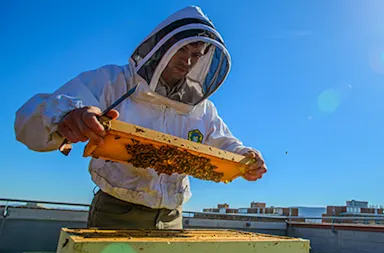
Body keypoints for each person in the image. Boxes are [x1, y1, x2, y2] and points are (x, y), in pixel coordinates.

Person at [14, 6, 267, 229]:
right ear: (163, 45)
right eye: (183, 50)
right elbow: (28, 122)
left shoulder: (201, 107)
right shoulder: (113, 82)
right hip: (116, 212)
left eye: (197, 54)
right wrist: (69, 116)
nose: (188, 61)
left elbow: (223, 142)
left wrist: (246, 157)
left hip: (173, 218)